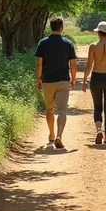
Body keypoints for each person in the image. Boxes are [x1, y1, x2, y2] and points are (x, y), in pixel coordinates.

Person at [35, 16, 77, 150]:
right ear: (62, 27)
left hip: (47, 81)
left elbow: (39, 64)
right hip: (63, 80)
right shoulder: (68, 43)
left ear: (51, 27)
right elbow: (73, 65)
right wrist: (74, 79)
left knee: (49, 109)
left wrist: (38, 78)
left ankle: (52, 134)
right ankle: (59, 135)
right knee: (62, 110)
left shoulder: (43, 43)